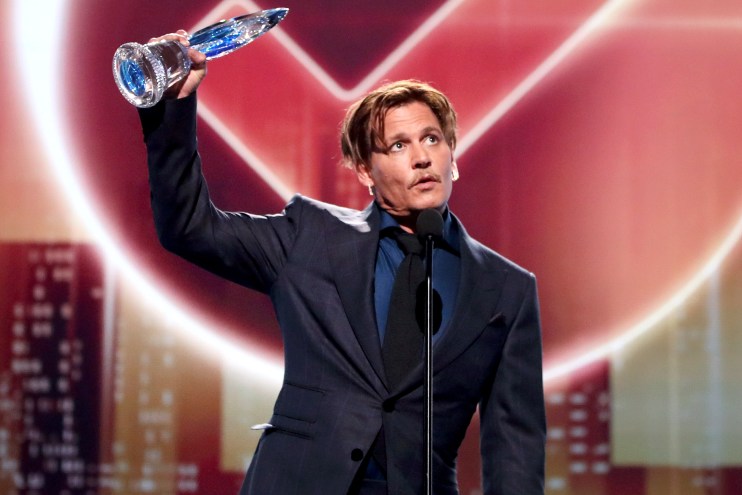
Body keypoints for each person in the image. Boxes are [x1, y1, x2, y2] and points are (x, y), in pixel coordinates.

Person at [137, 31, 546, 495]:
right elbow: (189, 227)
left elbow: (516, 446)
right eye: (397, 146)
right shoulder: (310, 237)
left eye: (431, 139)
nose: (420, 158)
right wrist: (170, 110)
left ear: (451, 156)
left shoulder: (506, 290)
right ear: (365, 172)